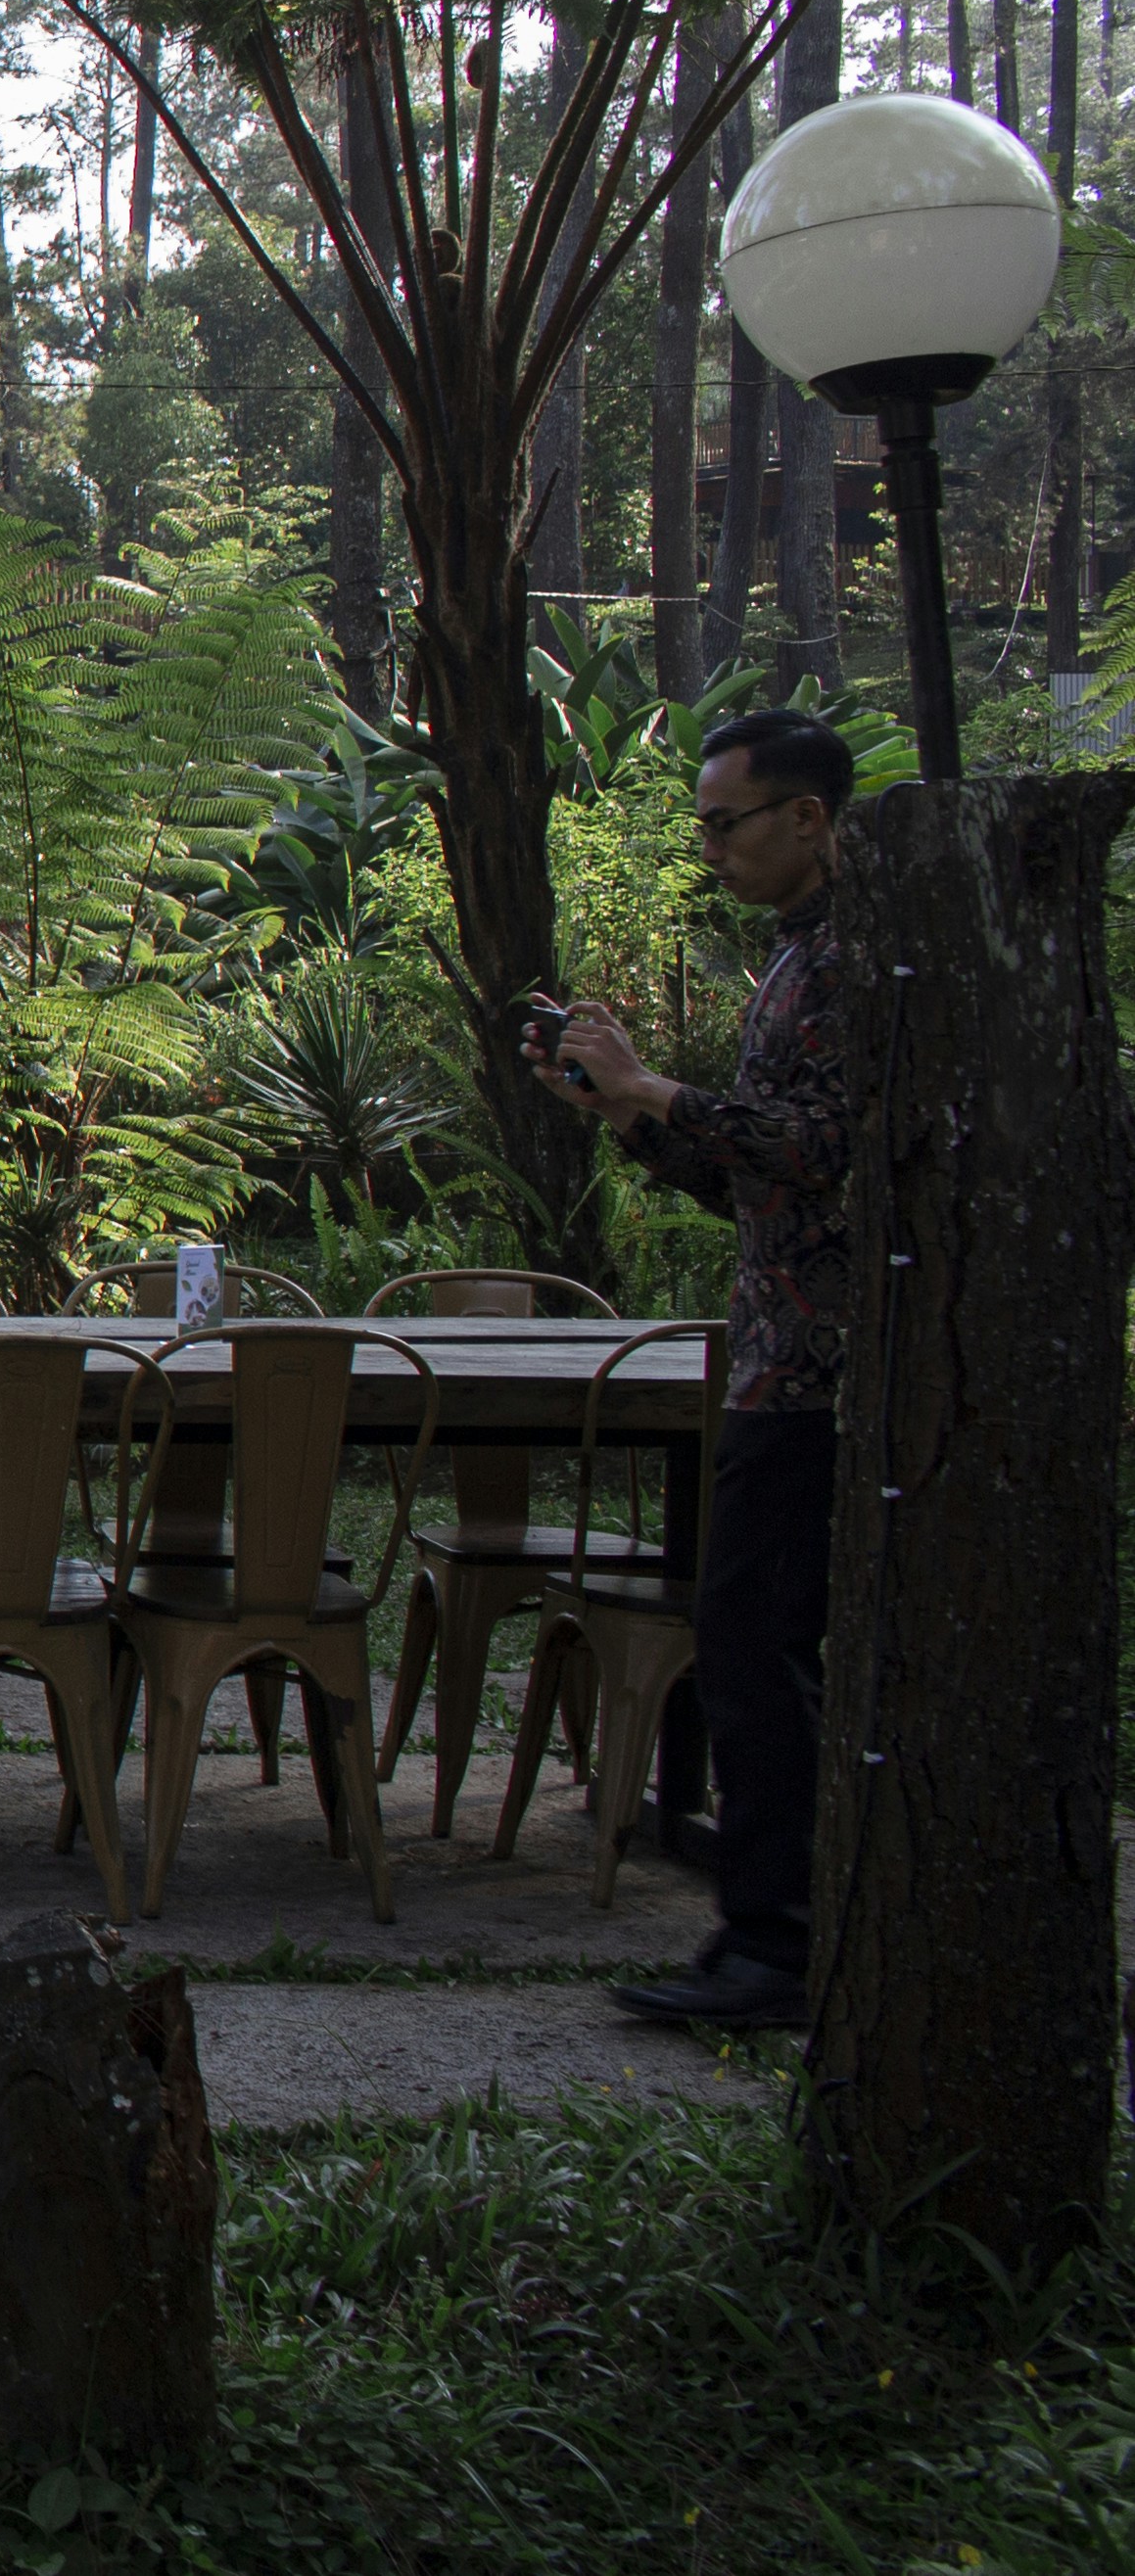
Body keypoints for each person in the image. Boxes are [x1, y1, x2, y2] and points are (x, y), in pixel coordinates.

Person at [528, 705, 857, 2031]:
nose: (708, 847)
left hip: (823, 1367)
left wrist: (657, 1090)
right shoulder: (793, 955)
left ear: (805, 817)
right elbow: (758, 1181)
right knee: (747, 1640)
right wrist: (625, 1116)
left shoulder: (855, 960)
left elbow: (825, 1147)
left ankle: (776, 1944)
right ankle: (762, 1924)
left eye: (723, 823)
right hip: (777, 1352)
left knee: (754, 1642)